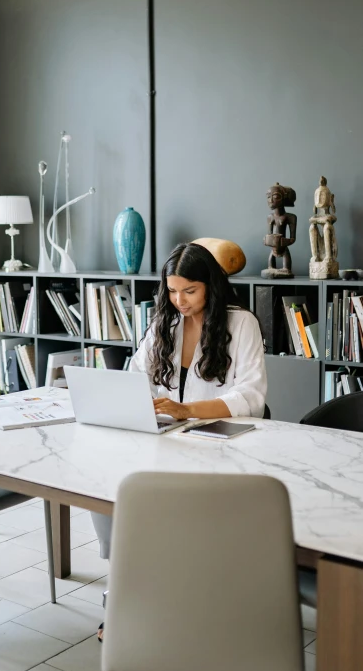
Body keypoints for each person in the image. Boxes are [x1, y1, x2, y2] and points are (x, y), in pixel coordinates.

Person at [93, 241, 267, 640]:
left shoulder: (241, 324)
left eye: (190, 290)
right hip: (166, 438)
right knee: (109, 482)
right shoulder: (164, 323)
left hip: (218, 445)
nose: (180, 300)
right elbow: (135, 375)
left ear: (210, 285)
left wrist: (188, 411)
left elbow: (252, 398)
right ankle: (130, 588)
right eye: (172, 291)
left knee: (154, 503)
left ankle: (142, 597)